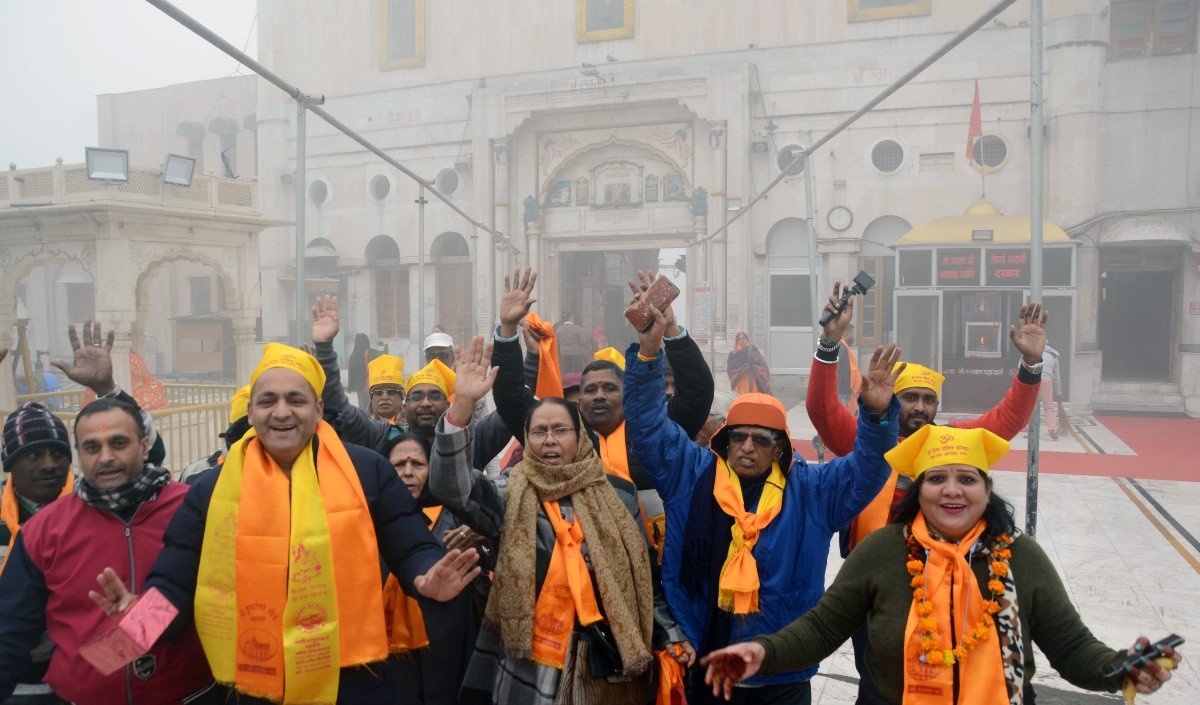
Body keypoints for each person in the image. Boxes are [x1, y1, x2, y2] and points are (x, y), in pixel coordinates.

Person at [89, 344, 481, 704]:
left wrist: (427, 578)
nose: (281, 412)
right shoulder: (211, 488)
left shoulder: (364, 469)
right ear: (252, 412)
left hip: (353, 677)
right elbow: (179, 577)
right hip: (258, 679)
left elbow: (410, 544)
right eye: (267, 401)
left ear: (319, 409)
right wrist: (135, 626)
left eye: (296, 400)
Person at [701, 425, 1184, 704]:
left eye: (966, 479)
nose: (952, 490)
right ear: (918, 491)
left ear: (986, 491)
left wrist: (1122, 668)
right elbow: (821, 629)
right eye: (937, 479)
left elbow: (1074, 649)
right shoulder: (884, 552)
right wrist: (760, 652)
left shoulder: (1020, 557)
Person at [622, 298, 903, 704]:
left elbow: (867, 470)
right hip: (707, 661)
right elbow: (647, 428)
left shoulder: (810, 491)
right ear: (725, 441)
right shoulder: (693, 474)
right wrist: (648, 356)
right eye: (739, 437)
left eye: (761, 439)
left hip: (782, 671)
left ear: (780, 449)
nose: (748, 447)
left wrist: (877, 419)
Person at [429, 337, 693, 705]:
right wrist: (460, 407)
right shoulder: (510, 495)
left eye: (561, 430)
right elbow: (450, 487)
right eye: (539, 431)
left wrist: (670, 633)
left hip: (604, 661)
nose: (549, 441)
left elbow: (642, 576)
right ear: (527, 438)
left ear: (579, 436)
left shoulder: (618, 494)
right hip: (529, 663)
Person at [0, 398, 217, 705]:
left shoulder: (190, 507)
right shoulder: (44, 529)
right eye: (92, 447)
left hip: (187, 695)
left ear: (143, 446)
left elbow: (198, 593)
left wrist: (138, 622)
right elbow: (10, 630)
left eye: (118, 443)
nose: (106, 457)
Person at [490, 269, 714, 557]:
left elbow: (697, 393)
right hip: (582, 560)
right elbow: (510, 399)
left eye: (609, 387)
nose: (599, 395)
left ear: (627, 394)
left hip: (654, 557)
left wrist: (670, 331)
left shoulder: (654, 432)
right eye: (590, 389)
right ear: (579, 399)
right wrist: (507, 331)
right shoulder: (564, 435)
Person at [310, 296, 515, 469]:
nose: (425, 403)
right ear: (405, 405)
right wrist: (324, 348)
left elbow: (511, 409)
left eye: (434, 396)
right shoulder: (385, 438)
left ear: (447, 406)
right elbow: (340, 409)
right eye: (417, 396)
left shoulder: (468, 444)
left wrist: (508, 333)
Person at [379, 430, 487, 705]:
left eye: (417, 464)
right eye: (398, 465)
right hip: (385, 645)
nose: (407, 473)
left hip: (447, 642)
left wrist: (480, 534)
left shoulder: (456, 516)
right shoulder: (368, 519)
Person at [367, 354, 406, 423]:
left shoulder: (416, 426)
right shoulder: (359, 427)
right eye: (378, 392)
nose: (384, 397)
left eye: (391, 392)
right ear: (371, 399)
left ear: (402, 397)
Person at [554, 310, 595, 375]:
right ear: (570, 318)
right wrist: (586, 348)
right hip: (576, 354)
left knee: (565, 374)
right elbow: (583, 342)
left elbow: (557, 344)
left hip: (564, 355)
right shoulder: (577, 328)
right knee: (578, 373)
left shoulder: (559, 329)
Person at [348, 332, 382, 410]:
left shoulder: (353, 355)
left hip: (359, 386)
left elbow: (352, 372)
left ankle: (363, 420)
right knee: (371, 406)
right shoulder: (370, 352)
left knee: (362, 406)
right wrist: (385, 345)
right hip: (369, 384)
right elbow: (384, 355)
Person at [1041, 340, 1062, 440]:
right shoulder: (1053, 355)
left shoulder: (1031, 350)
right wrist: (1059, 393)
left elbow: (1020, 366)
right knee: (1049, 407)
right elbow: (1057, 377)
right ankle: (1051, 429)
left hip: (1033, 381)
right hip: (1047, 381)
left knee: (1031, 407)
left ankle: (1031, 430)